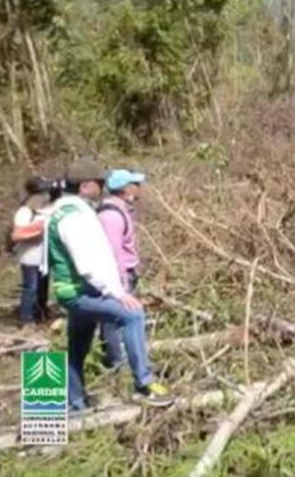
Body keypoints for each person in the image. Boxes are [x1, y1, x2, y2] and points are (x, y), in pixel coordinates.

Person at [44, 158, 173, 410]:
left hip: (77, 289)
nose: (103, 188)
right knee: (133, 314)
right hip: (79, 291)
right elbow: (87, 263)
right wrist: (116, 293)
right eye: (99, 184)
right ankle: (144, 384)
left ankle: (75, 403)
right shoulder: (73, 218)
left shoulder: (70, 211)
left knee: (77, 348)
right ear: (85, 186)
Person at [96, 169, 146, 370]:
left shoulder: (120, 210)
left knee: (118, 318)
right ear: (125, 189)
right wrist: (121, 284)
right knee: (115, 319)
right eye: (134, 184)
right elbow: (113, 253)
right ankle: (117, 361)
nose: (138, 188)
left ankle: (118, 357)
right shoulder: (111, 216)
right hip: (118, 276)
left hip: (126, 273)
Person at [10, 178, 53, 327]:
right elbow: (17, 234)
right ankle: (26, 319)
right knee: (31, 288)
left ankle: (41, 314)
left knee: (43, 288)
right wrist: (38, 230)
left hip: (44, 258)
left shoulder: (46, 210)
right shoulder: (24, 212)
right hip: (29, 257)